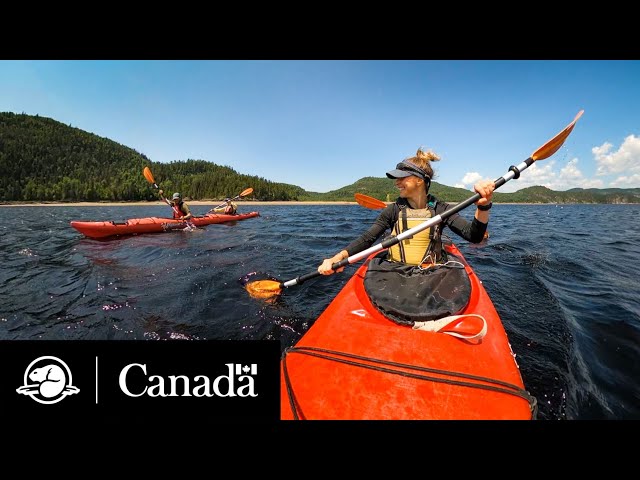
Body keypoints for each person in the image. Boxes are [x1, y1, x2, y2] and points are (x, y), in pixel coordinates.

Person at [318, 147, 495, 326]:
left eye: (402, 177)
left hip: (432, 273)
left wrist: (483, 206)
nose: (397, 183)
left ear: (419, 180)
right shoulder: (393, 210)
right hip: (394, 271)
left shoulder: (441, 209)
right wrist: (338, 257)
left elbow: (474, 236)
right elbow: (367, 239)